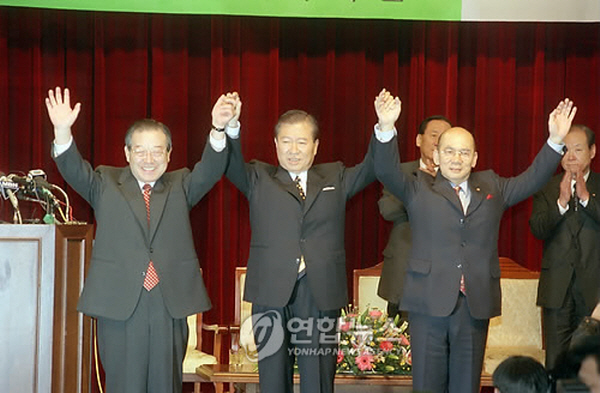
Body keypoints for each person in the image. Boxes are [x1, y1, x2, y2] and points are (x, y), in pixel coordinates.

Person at [373, 88, 577, 393]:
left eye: (464, 152)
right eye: (450, 151)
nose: (457, 158)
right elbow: (385, 170)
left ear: (475, 158)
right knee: (427, 385)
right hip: (427, 303)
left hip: (474, 305)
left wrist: (555, 141)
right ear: (438, 156)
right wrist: (386, 128)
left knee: (466, 386)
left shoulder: (492, 185)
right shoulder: (418, 189)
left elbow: (532, 178)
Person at [45, 87, 233, 393]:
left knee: (165, 385)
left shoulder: (181, 184)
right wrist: (63, 130)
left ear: (168, 154)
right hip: (120, 304)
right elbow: (73, 169)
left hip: (167, 302)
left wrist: (217, 128)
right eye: (140, 150)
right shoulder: (105, 182)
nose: (149, 159)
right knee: (124, 385)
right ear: (127, 153)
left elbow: (211, 168)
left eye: (157, 151)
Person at [221, 91, 392, 393]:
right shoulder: (259, 177)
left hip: (320, 290)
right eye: (286, 141)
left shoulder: (334, 176)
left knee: (318, 376)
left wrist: (384, 128)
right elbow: (231, 163)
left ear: (315, 147)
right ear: (275, 144)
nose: (293, 150)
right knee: (273, 377)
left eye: (302, 142)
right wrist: (231, 127)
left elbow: (372, 168)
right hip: (271, 292)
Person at [529, 124, 600, 369]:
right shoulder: (546, 187)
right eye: (565, 150)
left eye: (578, 149)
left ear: (592, 151)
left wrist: (586, 199)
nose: (570, 156)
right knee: (556, 363)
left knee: (591, 365)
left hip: (594, 292)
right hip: (556, 290)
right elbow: (537, 229)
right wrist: (561, 202)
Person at [377, 115, 451, 320]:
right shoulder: (400, 172)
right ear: (419, 140)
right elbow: (389, 210)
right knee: (400, 344)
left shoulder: (457, 177)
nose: (437, 141)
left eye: (443, 137)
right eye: (433, 135)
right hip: (404, 272)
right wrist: (419, 186)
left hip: (444, 276)